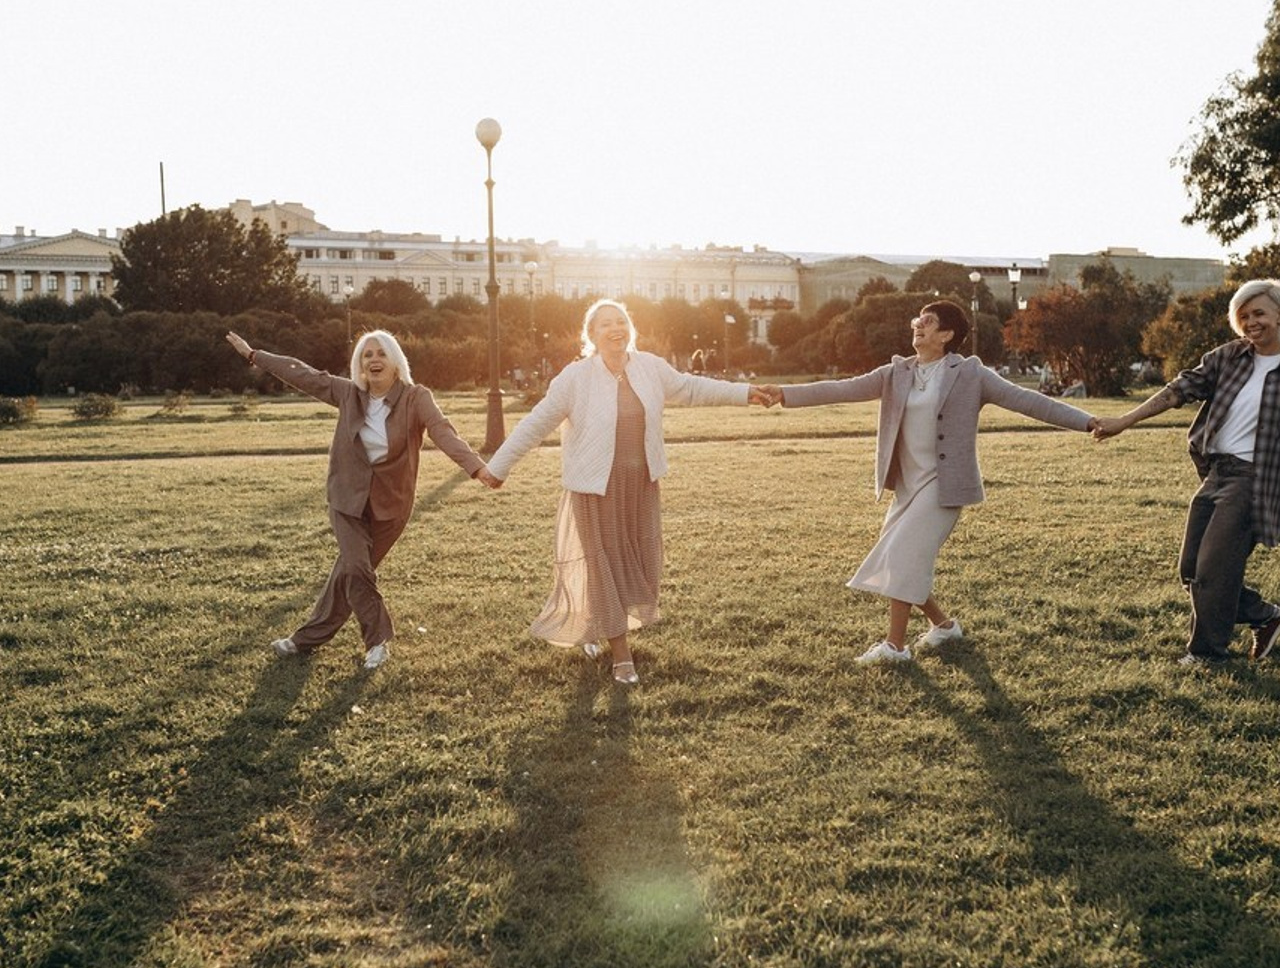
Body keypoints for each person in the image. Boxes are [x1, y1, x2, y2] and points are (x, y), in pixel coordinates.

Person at [753, 301, 1100, 663]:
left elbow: (1027, 401)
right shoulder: (896, 372)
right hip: (907, 487)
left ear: (947, 335)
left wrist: (1088, 421)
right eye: (918, 319)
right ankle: (944, 626)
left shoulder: (971, 374)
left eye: (929, 322)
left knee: (903, 555)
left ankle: (895, 647)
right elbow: (842, 389)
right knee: (908, 558)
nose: (918, 325)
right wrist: (785, 394)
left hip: (944, 487)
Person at [478, 299, 768, 685]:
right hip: (595, 488)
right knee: (603, 568)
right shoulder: (576, 377)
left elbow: (693, 388)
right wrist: (499, 467)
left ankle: (598, 624)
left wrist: (747, 392)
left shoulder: (649, 368)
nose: (615, 329)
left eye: (621, 322)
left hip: (640, 486)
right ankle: (621, 655)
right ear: (591, 335)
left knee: (641, 566)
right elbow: (537, 422)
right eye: (605, 325)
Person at [226, 329, 486, 669]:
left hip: (390, 506)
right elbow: (301, 372)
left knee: (349, 574)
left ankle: (305, 639)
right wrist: (254, 355)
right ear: (360, 364)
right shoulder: (348, 394)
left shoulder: (415, 398)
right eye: (367, 354)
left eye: (381, 353)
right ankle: (377, 640)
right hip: (346, 499)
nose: (374, 360)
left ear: (395, 361)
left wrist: (477, 469)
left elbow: (442, 431)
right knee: (356, 568)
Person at [1093, 279, 1280, 666]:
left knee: (1213, 570)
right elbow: (1179, 389)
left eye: (1259, 313)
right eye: (1243, 316)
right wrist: (1125, 420)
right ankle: (1265, 615)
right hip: (1217, 472)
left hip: (1253, 480)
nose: (1251, 322)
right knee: (1192, 568)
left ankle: (1207, 655)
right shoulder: (1230, 357)